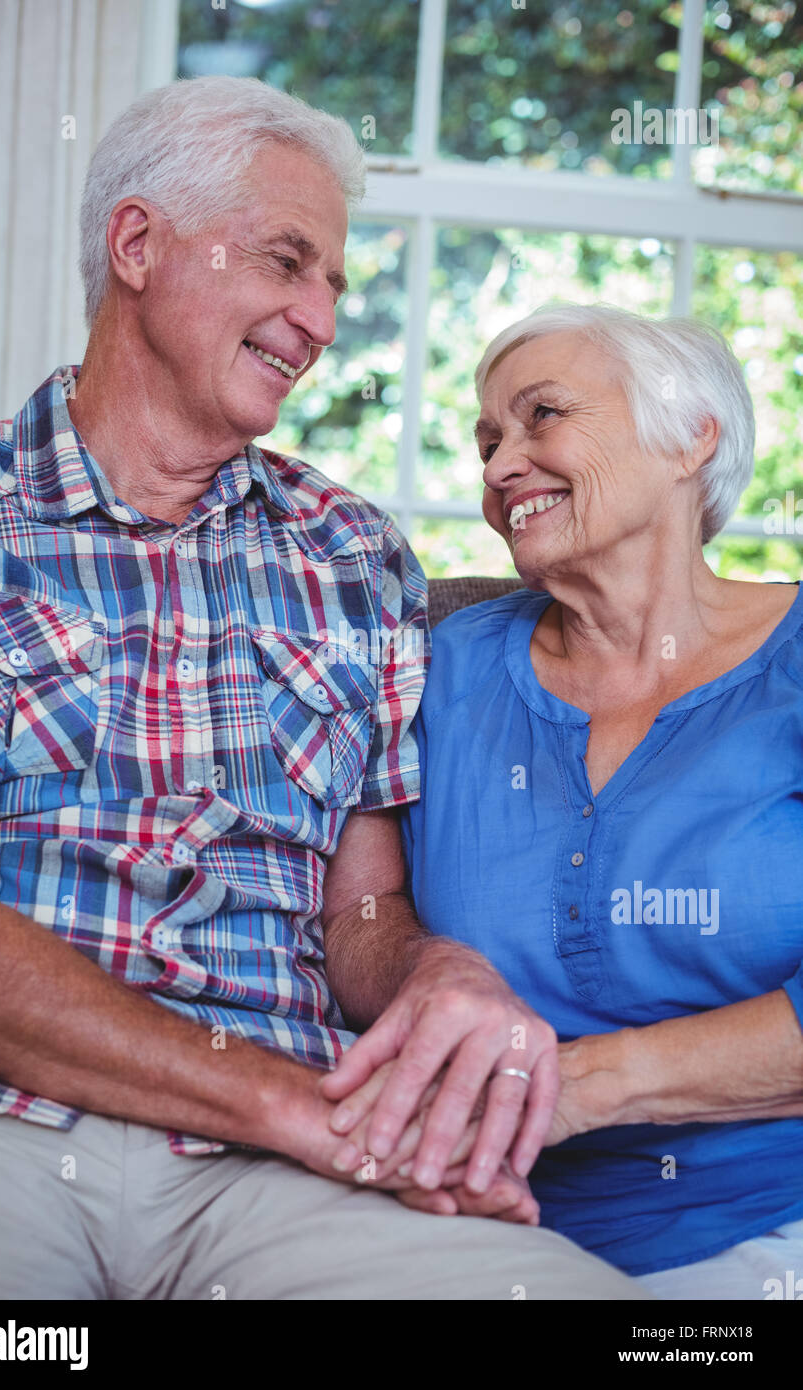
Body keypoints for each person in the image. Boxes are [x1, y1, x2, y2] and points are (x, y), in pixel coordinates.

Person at [0, 79, 643, 1301]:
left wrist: (439, 978)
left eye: (333, 285)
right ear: (139, 245)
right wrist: (298, 1108)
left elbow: (356, 920)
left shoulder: (350, 552)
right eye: (286, 261)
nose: (318, 320)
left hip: (271, 1170)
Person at [394, 302, 803, 1298]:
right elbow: (348, 911)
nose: (497, 468)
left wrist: (577, 1087)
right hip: (463, 1227)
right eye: (487, 440)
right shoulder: (436, 665)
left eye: (541, 417)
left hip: (766, 1224)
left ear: (688, 436)